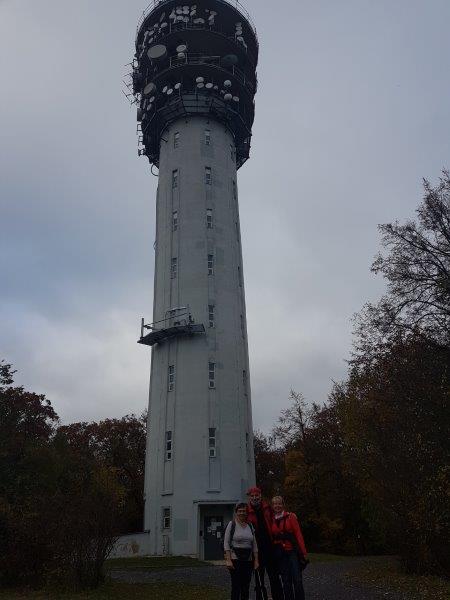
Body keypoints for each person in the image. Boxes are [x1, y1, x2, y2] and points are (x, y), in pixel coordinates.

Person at [246, 486, 283, 600]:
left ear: (260, 495)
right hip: (257, 551)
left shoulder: (267, 508)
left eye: (256, 495)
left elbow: (277, 518)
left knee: (274, 576)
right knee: (259, 578)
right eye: (252, 496)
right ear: (249, 497)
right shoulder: (247, 511)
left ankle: (278, 597)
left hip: (270, 547)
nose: (255, 497)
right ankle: (261, 597)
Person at [271, 496, 307, 600]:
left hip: (292, 551)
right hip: (280, 553)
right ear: (272, 506)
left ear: (283, 505)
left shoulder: (290, 517)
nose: (277, 506)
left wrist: (303, 551)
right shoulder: (271, 519)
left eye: (279, 504)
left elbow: (298, 534)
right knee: (285, 580)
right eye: (275, 504)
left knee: (297, 579)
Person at [224, 502, 259, 600]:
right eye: (240, 511)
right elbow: (226, 543)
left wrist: (256, 560)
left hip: (248, 560)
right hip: (235, 559)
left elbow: (254, 544)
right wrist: (228, 559)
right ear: (236, 512)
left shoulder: (250, 526)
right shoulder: (232, 524)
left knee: (246, 586)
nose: (242, 513)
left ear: (247, 513)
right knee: (236, 586)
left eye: (244, 511)